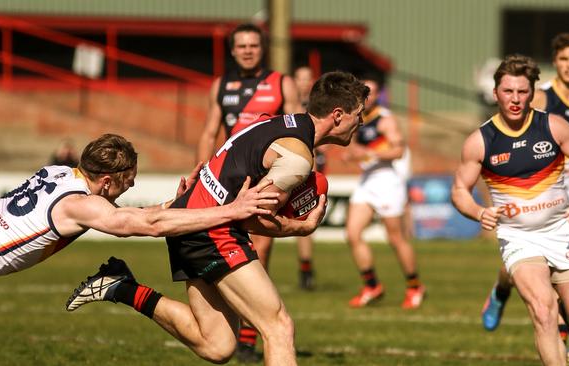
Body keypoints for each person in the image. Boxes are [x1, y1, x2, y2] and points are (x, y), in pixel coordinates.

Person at [67, 71, 369, 365]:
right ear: (338, 115)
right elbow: (251, 218)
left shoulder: (276, 123)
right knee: (278, 327)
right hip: (213, 229)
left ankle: (121, 286)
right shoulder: (297, 159)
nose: (362, 122)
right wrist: (301, 227)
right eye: (359, 114)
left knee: (217, 345)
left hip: (189, 220)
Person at [0, 133, 287, 366]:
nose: (133, 185)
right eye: (129, 180)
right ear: (108, 182)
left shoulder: (59, 173)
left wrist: (177, 205)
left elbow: (132, 216)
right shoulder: (79, 205)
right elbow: (144, 226)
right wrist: (234, 210)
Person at [452, 54, 569, 365]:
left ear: (532, 92)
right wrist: (478, 212)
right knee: (543, 311)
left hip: (561, 232)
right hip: (519, 238)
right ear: (495, 94)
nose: (515, 99)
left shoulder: (553, 126)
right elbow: (459, 191)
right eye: (508, 92)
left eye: (522, 91)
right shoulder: (480, 141)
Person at [195, 22, 303, 360]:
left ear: (263, 48)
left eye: (253, 45)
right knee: (218, 249)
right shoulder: (221, 85)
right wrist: (200, 169)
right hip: (224, 179)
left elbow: (299, 127)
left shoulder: (280, 82)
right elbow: (210, 129)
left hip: (263, 178)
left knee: (260, 250)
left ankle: (248, 338)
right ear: (232, 50)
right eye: (241, 45)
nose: (247, 50)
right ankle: (228, 327)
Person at [341, 74, 424, 309]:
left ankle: (415, 286)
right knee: (352, 233)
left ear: (378, 96)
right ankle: (371, 285)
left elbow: (398, 150)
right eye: (363, 92)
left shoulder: (385, 120)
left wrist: (370, 154)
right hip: (368, 180)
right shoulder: (358, 118)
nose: (367, 97)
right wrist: (352, 152)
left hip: (387, 180)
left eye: (372, 92)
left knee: (395, 237)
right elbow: (355, 147)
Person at [292, 65, 324, 290]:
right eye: (299, 78)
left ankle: (306, 269)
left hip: (312, 167)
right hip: (289, 165)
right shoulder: (286, 106)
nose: (303, 82)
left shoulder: (318, 107)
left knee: (304, 218)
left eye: (307, 78)